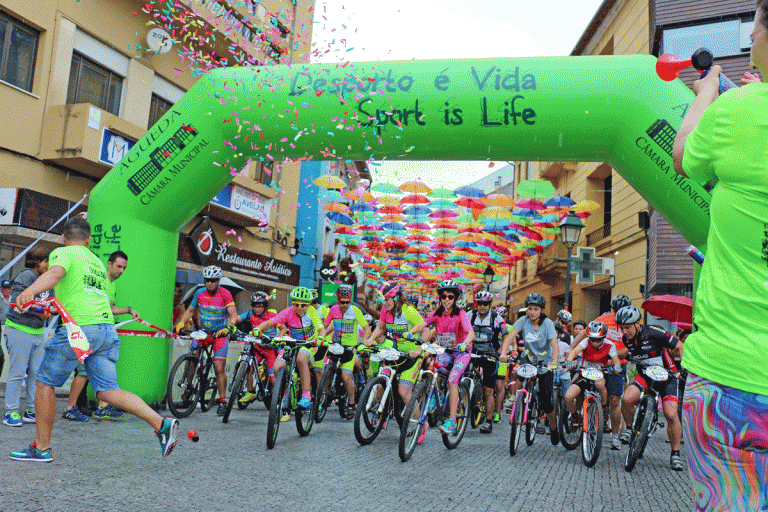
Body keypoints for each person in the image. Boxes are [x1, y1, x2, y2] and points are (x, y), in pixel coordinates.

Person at [672, 7, 768, 504]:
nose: (749, 36)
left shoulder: (737, 112)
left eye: (752, 26)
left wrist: (708, 95)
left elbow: (682, 155)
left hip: (731, 381)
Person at [10, 217, 178, 461]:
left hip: (80, 330)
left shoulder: (64, 253)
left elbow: (55, 274)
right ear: (89, 240)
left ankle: (41, 448)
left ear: (63, 238)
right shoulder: (96, 262)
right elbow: (82, 297)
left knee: (44, 383)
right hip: (106, 330)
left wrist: (29, 291)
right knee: (108, 391)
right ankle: (161, 423)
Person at [62, 250, 139, 422]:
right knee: (83, 372)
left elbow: (110, 307)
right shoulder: (99, 279)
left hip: (101, 332)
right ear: (109, 264)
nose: (121, 271)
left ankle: (103, 407)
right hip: (87, 329)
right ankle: (70, 408)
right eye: (119, 266)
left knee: (101, 370)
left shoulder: (112, 284)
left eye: (124, 268)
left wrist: (128, 310)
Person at [615, 305, 683, 471]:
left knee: (671, 414)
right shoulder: (627, 339)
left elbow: (679, 345)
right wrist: (614, 360)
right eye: (622, 328)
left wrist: (682, 368)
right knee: (626, 399)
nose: (624, 331)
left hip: (668, 376)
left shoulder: (654, 331)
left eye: (627, 327)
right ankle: (631, 429)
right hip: (646, 375)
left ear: (637, 324)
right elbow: (627, 354)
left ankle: (675, 454)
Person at [362, 282, 427, 440]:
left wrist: (418, 350)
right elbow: (381, 327)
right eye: (384, 299)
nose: (386, 302)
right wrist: (370, 339)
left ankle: (421, 425)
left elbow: (426, 330)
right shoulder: (386, 310)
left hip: (412, 356)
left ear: (397, 298)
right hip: (397, 353)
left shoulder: (409, 311)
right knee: (381, 381)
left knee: (404, 392)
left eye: (388, 299)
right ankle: (383, 412)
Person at [411, 280, 475, 435]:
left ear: (455, 298)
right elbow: (423, 324)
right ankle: (435, 395)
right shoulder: (436, 313)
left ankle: (451, 420)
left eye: (450, 296)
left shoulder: (461, 314)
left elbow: (471, 333)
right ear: (440, 297)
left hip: (461, 352)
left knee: (452, 380)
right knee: (434, 368)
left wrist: (465, 344)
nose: (447, 299)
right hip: (446, 350)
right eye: (443, 296)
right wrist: (409, 332)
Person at [174, 265, 239, 416]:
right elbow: (190, 311)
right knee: (192, 357)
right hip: (203, 332)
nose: (210, 283)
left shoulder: (226, 294)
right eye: (207, 280)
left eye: (213, 280)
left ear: (218, 280)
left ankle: (222, 401)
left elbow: (233, 314)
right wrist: (181, 323)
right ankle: (190, 385)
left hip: (220, 334)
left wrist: (228, 328)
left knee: (218, 367)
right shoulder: (199, 292)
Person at [499, 293, 560, 445]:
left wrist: (554, 361)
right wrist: (503, 353)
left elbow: (554, 344)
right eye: (530, 309)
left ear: (541, 310)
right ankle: (520, 402)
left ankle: (553, 427)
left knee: (546, 399)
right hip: (528, 358)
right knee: (519, 376)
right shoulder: (523, 321)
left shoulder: (548, 324)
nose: (532, 312)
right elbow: (509, 337)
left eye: (536, 309)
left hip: (545, 362)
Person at [568, 294, 631, 437]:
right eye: (616, 311)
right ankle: (579, 419)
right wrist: (571, 348)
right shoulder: (603, 319)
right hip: (594, 363)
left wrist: (610, 358)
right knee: (580, 387)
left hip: (616, 364)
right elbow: (585, 332)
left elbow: (630, 347)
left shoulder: (632, 323)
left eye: (622, 310)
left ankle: (615, 436)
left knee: (614, 400)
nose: (618, 314)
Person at [3, 247, 52, 427]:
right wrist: (43, 313)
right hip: (19, 329)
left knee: (36, 373)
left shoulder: (46, 281)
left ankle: (31, 410)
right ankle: (11, 411)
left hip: (38, 332)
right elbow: (17, 303)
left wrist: (50, 312)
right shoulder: (25, 276)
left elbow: (50, 305)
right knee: (17, 372)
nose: (48, 265)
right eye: (46, 261)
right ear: (36, 261)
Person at [256, 286, 322, 417]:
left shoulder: (312, 312)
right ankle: (284, 395)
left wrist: (320, 337)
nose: (299, 307)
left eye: (303, 305)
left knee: (301, 359)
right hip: (292, 343)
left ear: (308, 304)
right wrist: (258, 329)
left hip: (309, 344)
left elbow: (321, 329)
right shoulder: (288, 311)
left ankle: (306, 395)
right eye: (296, 304)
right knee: (277, 367)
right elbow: (271, 322)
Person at [564, 320, 623, 449]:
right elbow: (574, 351)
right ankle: (574, 416)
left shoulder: (610, 344)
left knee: (601, 386)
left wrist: (617, 367)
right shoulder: (586, 342)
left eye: (598, 340)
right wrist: (569, 361)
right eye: (592, 339)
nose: (595, 343)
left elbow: (616, 360)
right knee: (568, 396)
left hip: (600, 373)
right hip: (584, 373)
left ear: (604, 337)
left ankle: (603, 408)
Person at [320, 285, 371, 419]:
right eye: (342, 302)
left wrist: (361, 343)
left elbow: (367, 329)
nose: (344, 305)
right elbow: (325, 326)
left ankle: (352, 403)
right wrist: (321, 338)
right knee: (326, 369)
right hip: (336, 345)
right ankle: (324, 394)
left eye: (347, 302)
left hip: (349, 348)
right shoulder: (333, 310)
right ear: (337, 300)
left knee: (346, 376)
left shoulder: (355, 311)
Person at [468, 290, 512, 434]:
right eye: (480, 303)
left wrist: (500, 352)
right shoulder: (470, 315)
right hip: (471, 352)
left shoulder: (496, 317)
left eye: (485, 304)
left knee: (489, 390)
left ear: (490, 304)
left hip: (489, 355)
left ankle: (488, 422)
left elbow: (506, 336)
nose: (482, 306)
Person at [238, 291, 279, 404]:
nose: (257, 309)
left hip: (270, 350)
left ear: (265, 306)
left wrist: (279, 339)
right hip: (257, 349)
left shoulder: (272, 316)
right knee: (246, 367)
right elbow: (236, 319)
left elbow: (284, 328)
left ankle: (278, 398)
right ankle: (251, 392)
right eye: (255, 306)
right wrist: (229, 327)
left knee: (273, 377)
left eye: (260, 306)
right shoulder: (250, 314)